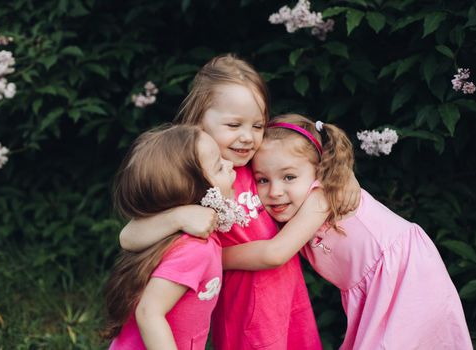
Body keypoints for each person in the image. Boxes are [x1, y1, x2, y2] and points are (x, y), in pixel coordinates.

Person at [119, 54, 361, 349]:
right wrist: (179, 217)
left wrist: (344, 176)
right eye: (234, 125)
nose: (247, 137)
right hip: (245, 313)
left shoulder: (261, 166)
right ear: (199, 121)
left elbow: (308, 159)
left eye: (257, 126)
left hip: (288, 298)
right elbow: (129, 236)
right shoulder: (200, 180)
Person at [223, 114, 473, 350]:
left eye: (288, 177)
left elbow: (274, 253)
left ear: (320, 172)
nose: (274, 191)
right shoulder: (291, 206)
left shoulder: (321, 196)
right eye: (262, 180)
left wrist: (218, 257)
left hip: (405, 276)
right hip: (381, 283)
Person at [102, 125, 236, 349]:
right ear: (196, 192)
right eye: (220, 167)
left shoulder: (172, 234)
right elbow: (148, 312)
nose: (231, 164)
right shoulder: (194, 249)